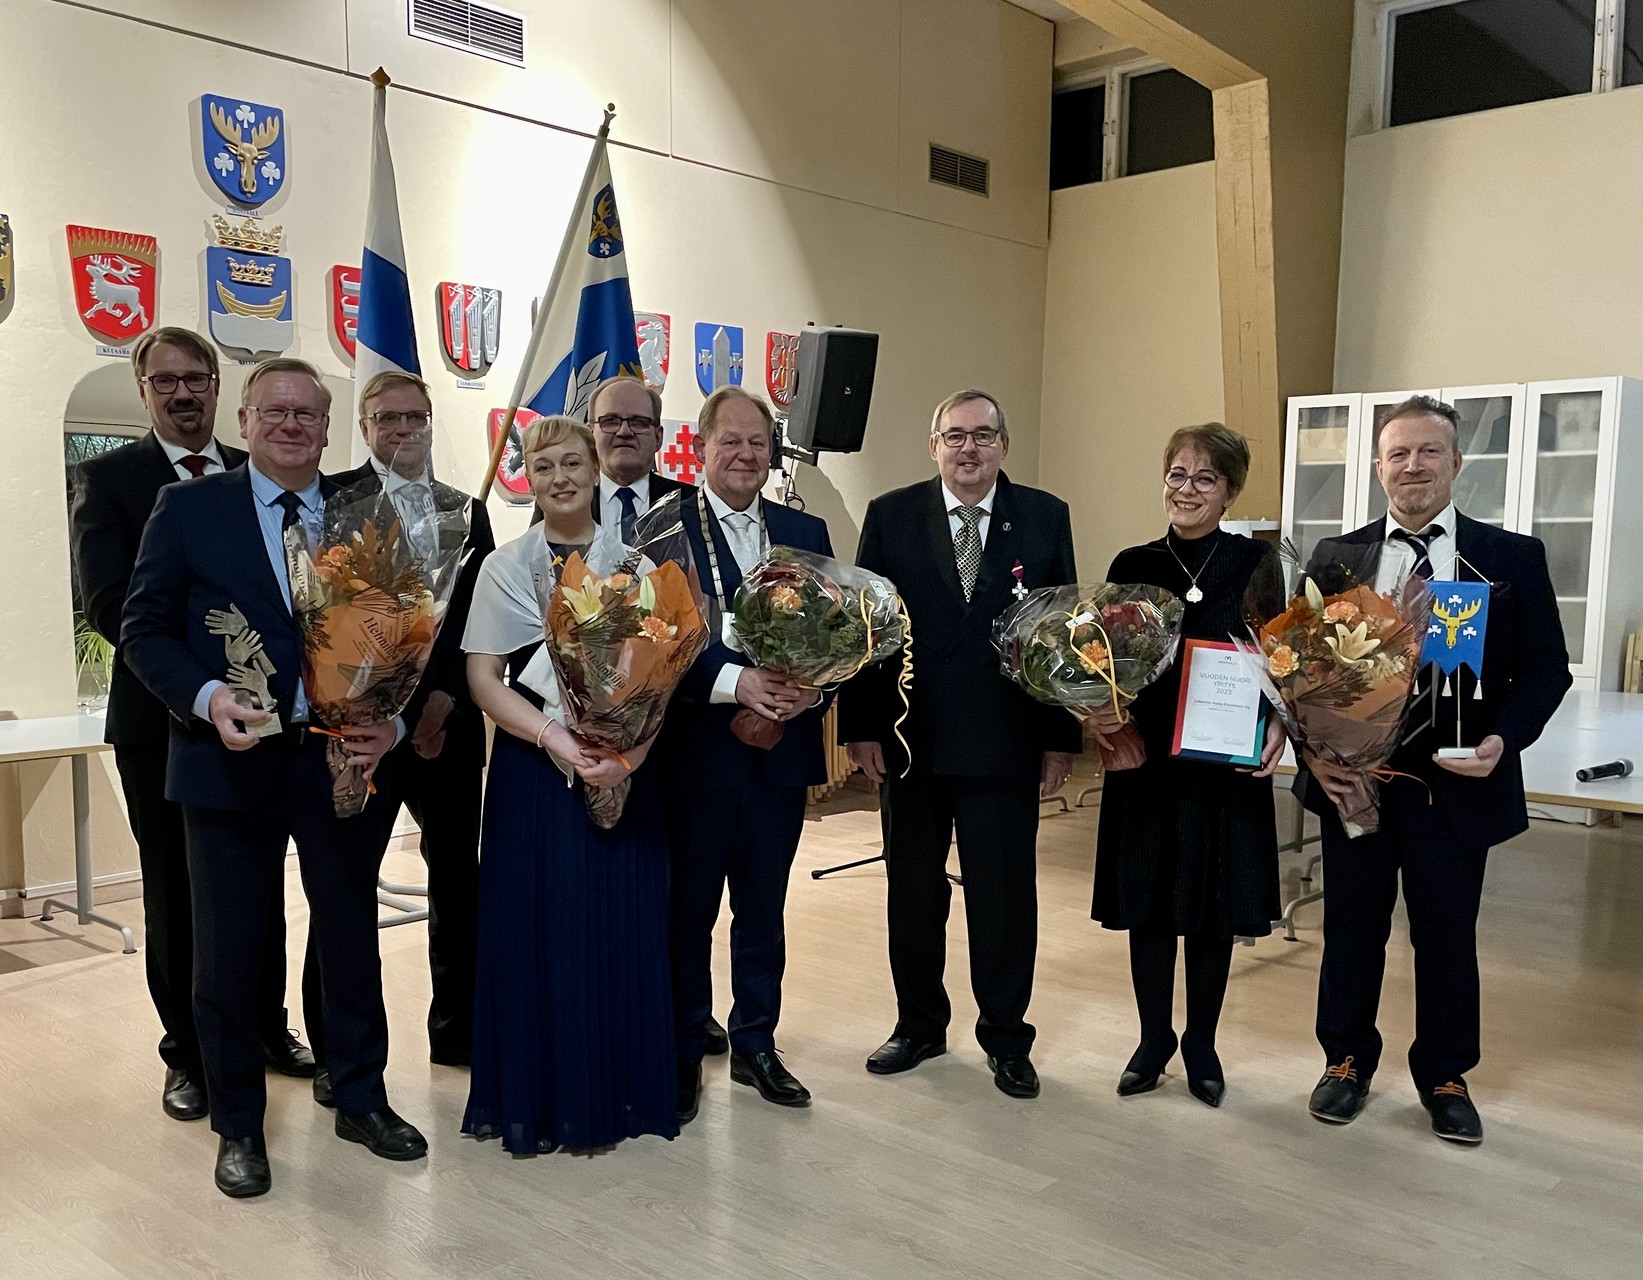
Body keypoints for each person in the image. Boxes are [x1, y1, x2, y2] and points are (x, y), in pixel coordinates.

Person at [123, 357, 426, 1198]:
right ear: (245, 421)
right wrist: (206, 697)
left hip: (336, 760)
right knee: (227, 951)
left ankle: (360, 1098)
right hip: (227, 759)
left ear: (327, 430)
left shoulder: (365, 513)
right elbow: (143, 629)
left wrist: (393, 722)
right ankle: (239, 1128)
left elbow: (410, 634)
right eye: (275, 411)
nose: (292, 425)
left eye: (308, 414)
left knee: (349, 938)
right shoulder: (188, 508)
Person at [1300, 394, 1570, 1144]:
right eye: (1399, 453)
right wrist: (1316, 754)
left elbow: (1545, 669)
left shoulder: (1511, 557)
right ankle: (1345, 1060)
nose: (1412, 466)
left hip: (1455, 785)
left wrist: (1504, 740)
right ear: (1378, 467)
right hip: (1357, 784)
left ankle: (1446, 1074)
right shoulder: (1335, 558)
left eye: (1428, 452)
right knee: (1351, 929)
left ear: (1455, 462)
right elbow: (1301, 675)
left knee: (1446, 935)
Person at [68, 327, 314, 1125]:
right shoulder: (111, 479)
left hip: (273, 728)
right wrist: (209, 680)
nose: (182, 392)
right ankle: (188, 1053)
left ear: (218, 388)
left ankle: (265, 1028)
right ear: (143, 390)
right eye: (164, 380)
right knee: (178, 894)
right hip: (164, 722)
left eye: (195, 378)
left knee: (258, 886)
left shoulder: (260, 472)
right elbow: (111, 606)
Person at [839, 389, 1080, 1099]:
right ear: (933, 446)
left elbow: (1062, 632)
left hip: (1005, 744)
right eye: (954, 436)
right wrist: (860, 725)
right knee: (913, 894)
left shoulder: (1044, 516)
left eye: (982, 435)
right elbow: (866, 628)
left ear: (1004, 445)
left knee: (1003, 900)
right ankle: (918, 1025)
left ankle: (1005, 1036)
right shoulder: (891, 515)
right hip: (910, 741)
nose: (968, 448)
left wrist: (1059, 738)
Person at [461, 414, 677, 1153]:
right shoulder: (504, 568)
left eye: (572, 464)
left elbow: (660, 683)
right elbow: (483, 680)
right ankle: (541, 1100)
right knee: (537, 931)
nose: (559, 478)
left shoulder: (637, 567)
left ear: (595, 470)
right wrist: (557, 737)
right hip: (532, 773)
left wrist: (626, 759)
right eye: (544, 465)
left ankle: (618, 1094)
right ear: (527, 476)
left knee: (613, 928)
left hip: (620, 769)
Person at [1081, 425, 1285, 1109]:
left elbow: (1281, 658)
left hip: (1222, 763)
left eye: (1204, 478)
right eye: (1177, 474)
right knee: (1148, 902)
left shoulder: (1255, 562)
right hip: (1146, 757)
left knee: (1211, 907)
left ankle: (1201, 1044)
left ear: (1229, 491)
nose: (1187, 489)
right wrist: (1097, 712)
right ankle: (1152, 1040)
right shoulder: (1133, 561)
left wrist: (1279, 723)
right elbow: (1104, 659)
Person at [665, 386, 834, 1122]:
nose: (744, 454)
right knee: (689, 910)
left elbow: (837, 629)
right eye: (729, 441)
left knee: (763, 910)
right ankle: (681, 1047)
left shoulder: (803, 528)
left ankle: (756, 1043)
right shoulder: (664, 527)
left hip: (779, 759)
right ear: (701, 448)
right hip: (698, 757)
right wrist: (735, 683)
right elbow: (654, 643)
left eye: (756, 443)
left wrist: (814, 688)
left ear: (772, 453)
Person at [330, 371, 494, 1070]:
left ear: (430, 423)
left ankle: (458, 1033)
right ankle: (341, 1049)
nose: (403, 430)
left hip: (447, 729)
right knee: (343, 888)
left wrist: (445, 698)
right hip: (359, 732)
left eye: (415, 418)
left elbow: (480, 621)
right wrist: (369, 706)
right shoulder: (332, 502)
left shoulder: (467, 511)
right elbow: (320, 619)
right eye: (387, 418)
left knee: (458, 882)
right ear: (364, 426)